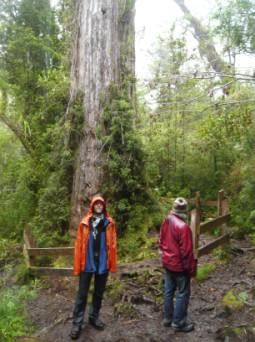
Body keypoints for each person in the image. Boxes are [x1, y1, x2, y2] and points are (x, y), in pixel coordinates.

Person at [70, 195, 117, 340]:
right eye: (96, 204)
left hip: (102, 263)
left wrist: (112, 265)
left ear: (104, 207)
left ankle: (93, 317)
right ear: (92, 206)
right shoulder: (85, 223)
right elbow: (78, 246)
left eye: (100, 204)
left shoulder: (109, 223)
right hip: (87, 262)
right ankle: (77, 324)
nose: (98, 206)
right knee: (82, 295)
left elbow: (113, 245)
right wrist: (77, 267)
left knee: (98, 293)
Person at [159, 197, 197, 333]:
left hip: (167, 263)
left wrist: (165, 255)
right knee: (183, 293)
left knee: (168, 291)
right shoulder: (184, 227)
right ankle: (178, 322)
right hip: (179, 267)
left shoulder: (166, 220)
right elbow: (187, 253)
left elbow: (161, 241)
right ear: (185, 211)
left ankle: (167, 318)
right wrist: (191, 270)